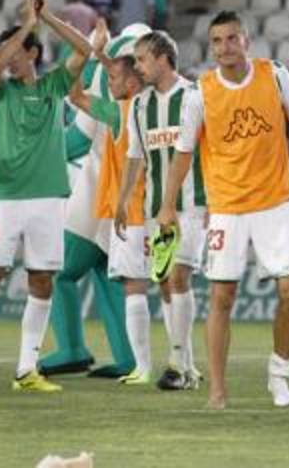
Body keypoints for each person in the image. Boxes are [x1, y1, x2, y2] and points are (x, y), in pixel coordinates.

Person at [157, 10, 289, 410]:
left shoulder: (275, 75)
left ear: (246, 41)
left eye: (232, 39)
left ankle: (279, 376)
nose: (225, 47)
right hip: (227, 208)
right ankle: (217, 388)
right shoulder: (200, 92)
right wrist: (166, 205)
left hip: (277, 202)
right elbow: (182, 154)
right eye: (217, 41)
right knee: (222, 295)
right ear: (211, 47)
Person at [0, 0, 94, 394]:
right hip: (7, 199)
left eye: (17, 50)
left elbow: (85, 51)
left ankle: (27, 369)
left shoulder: (51, 88)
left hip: (48, 199)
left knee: (42, 281)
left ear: (32, 53)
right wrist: (27, 20)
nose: (8, 58)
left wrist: (45, 18)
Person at [117, 30, 207, 391]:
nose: (136, 67)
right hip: (157, 207)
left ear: (162, 58)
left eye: (141, 59)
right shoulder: (140, 105)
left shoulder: (194, 96)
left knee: (179, 276)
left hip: (193, 203)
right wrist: (123, 200)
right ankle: (187, 366)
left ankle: (175, 362)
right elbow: (135, 156)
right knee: (167, 285)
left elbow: (199, 151)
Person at [65, 26, 152, 385]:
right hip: (148, 209)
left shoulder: (119, 112)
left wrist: (88, 55)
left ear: (130, 82)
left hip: (130, 212)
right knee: (162, 286)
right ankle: (171, 364)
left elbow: (74, 94)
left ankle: (142, 367)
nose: (107, 82)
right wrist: (101, 56)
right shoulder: (149, 107)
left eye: (113, 78)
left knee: (136, 286)